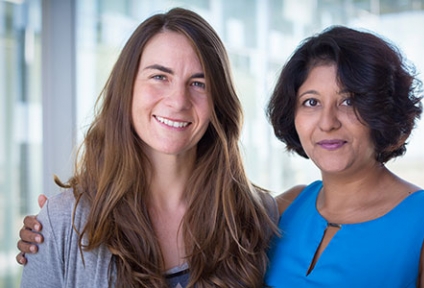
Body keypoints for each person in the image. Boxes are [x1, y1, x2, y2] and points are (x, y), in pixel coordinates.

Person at [18, 7, 278, 288]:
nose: (179, 100)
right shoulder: (60, 223)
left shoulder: (257, 217)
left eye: (199, 83)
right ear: (127, 88)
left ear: (218, 101)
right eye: (159, 77)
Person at [263, 26, 424, 287]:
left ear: (383, 112)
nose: (327, 122)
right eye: (311, 102)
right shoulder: (285, 207)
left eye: (349, 101)